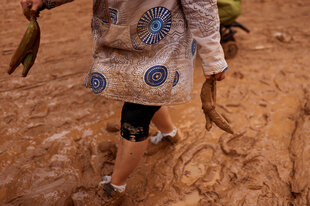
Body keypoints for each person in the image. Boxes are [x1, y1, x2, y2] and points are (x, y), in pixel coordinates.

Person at [20, 0, 228, 205]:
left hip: (164, 45)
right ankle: (170, 134)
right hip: (121, 31)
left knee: (136, 114)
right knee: (144, 96)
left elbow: (201, 7)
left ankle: (115, 188)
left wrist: (213, 57)